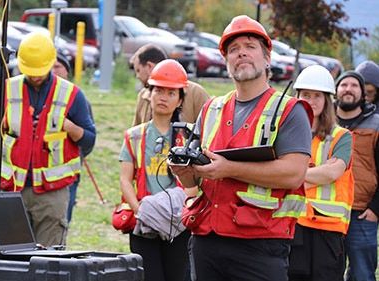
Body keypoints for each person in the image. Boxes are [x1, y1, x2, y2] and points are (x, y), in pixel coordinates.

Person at [169, 15, 313, 281]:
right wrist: (182, 170)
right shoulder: (211, 108)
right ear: (226, 62)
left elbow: (294, 173)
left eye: (250, 46)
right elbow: (196, 177)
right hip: (206, 238)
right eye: (233, 50)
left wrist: (229, 169)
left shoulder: (289, 110)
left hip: (260, 244)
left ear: (267, 58)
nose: (241, 53)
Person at [0, 31, 96, 247]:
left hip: (51, 195)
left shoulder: (72, 94)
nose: (35, 76)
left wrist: (70, 127)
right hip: (11, 190)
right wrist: (0, 125)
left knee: (48, 262)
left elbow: (89, 140)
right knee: (10, 256)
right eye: (30, 71)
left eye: (40, 71)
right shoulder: (7, 89)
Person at [119, 59, 197, 281]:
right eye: (159, 90)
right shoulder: (134, 135)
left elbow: (198, 183)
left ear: (180, 99)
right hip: (144, 224)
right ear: (149, 94)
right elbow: (125, 179)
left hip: (179, 226)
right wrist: (139, 210)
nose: (163, 97)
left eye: (171, 93)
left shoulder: (190, 137)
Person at [288, 65, 354, 281]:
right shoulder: (286, 133)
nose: (311, 100)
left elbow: (332, 173)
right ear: (297, 96)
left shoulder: (341, 136)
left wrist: (293, 173)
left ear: (327, 100)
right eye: (306, 94)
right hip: (293, 224)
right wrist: (312, 172)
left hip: (329, 230)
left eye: (317, 95)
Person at [335, 70, 379, 281]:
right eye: (343, 85)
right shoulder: (324, 122)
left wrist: (375, 209)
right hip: (328, 212)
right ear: (335, 91)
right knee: (328, 271)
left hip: (362, 212)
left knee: (363, 274)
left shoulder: (376, 125)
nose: (348, 89)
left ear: (363, 94)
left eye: (354, 85)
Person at [52, 50, 94, 224]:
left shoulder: (76, 97)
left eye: (58, 66)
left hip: (66, 175)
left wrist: (70, 128)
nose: (53, 71)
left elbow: (89, 141)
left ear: (66, 71)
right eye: (50, 67)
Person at [131, 43, 210, 126]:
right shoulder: (143, 96)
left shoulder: (196, 93)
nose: (138, 76)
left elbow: (210, 131)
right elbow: (136, 134)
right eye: (158, 91)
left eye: (138, 70)